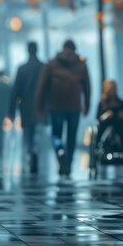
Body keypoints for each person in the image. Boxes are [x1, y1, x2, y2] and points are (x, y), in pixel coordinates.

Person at [36, 39, 90, 180]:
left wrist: (40, 107)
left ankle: (60, 154)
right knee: (71, 137)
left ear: (63, 48)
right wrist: (87, 105)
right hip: (74, 107)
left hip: (56, 106)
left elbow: (41, 87)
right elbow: (87, 87)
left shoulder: (52, 64)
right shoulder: (81, 65)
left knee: (56, 136)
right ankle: (68, 165)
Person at [9, 42, 44, 173]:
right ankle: (36, 149)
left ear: (28, 51)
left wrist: (11, 112)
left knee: (28, 132)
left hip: (26, 106)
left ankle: (30, 151)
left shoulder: (22, 68)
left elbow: (15, 90)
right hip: (40, 105)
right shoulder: (43, 67)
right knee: (38, 130)